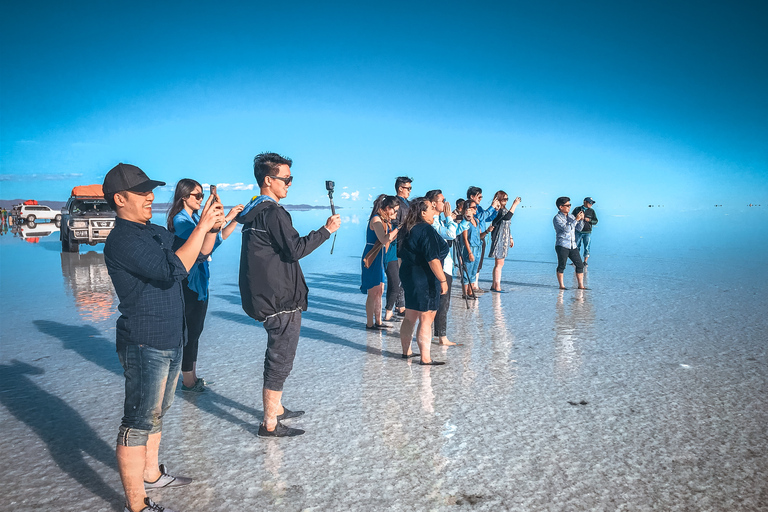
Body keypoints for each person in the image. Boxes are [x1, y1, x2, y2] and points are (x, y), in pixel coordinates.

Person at [103, 163, 225, 512]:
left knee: (156, 414)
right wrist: (201, 225)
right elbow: (172, 269)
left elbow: (199, 252)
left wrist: (212, 226)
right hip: (144, 341)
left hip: (171, 337)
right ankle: (136, 505)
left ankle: (153, 474)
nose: (151, 197)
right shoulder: (122, 240)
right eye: (142, 192)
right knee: (138, 421)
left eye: (150, 190)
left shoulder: (153, 231)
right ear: (120, 198)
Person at [237, 152, 341, 437]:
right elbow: (295, 249)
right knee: (281, 358)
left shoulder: (254, 211)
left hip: (266, 296)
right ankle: (269, 423)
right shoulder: (272, 212)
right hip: (279, 300)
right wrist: (326, 230)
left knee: (278, 354)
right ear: (269, 181)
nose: (290, 184)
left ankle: (277, 408)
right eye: (286, 179)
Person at [167, 179, 244, 391]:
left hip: (198, 281)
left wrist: (233, 220)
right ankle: (187, 381)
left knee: (195, 330)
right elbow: (202, 246)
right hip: (188, 282)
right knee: (190, 332)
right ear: (184, 197)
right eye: (197, 196)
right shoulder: (181, 221)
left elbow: (216, 241)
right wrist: (223, 218)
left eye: (202, 195)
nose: (201, 200)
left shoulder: (191, 219)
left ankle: (190, 377)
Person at [397, 197, 449, 364]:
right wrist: (442, 280)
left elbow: (399, 256)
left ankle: (406, 352)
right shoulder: (425, 229)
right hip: (424, 276)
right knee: (426, 317)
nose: (435, 211)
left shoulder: (406, 228)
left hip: (408, 274)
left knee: (410, 315)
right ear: (423, 212)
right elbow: (433, 259)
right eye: (431, 208)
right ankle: (425, 358)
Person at [425, 189, 458, 346]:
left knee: (440, 302)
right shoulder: (434, 221)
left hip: (445, 265)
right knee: (442, 302)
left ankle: (436, 335)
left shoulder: (436, 220)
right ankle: (440, 337)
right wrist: (449, 217)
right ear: (433, 203)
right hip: (442, 267)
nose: (445, 204)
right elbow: (452, 234)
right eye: (442, 200)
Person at [360, 194, 399, 329]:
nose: (396, 213)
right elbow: (383, 239)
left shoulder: (384, 219)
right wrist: (397, 229)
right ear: (387, 208)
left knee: (380, 291)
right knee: (373, 292)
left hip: (380, 255)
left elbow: (388, 240)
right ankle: (370, 324)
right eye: (395, 210)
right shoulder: (376, 219)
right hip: (372, 256)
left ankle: (379, 322)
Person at [387, 176, 413, 318]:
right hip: (398, 245)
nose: (410, 191)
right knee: (398, 277)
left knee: (405, 275)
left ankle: (402, 304)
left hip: (406, 243)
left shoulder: (407, 203)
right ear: (400, 188)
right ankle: (400, 306)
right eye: (408, 188)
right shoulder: (397, 203)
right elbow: (395, 223)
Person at [466, 186, 500, 293]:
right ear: (472, 196)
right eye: (479, 196)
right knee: (472, 263)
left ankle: (474, 285)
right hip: (474, 238)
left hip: (482, 236)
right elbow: (480, 217)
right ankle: (472, 287)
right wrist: (491, 207)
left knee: (478, 262)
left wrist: (495, 210)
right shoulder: (469, 208)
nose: (481, 199)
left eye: (481, 197)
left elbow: (487, 218)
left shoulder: (478, 208)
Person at [487, 191, 521, 293]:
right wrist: (514, 205)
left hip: (504, 237)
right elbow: (507, 217)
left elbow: (507, 225)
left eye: (507, 199)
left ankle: (495, 285)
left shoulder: (504, 209)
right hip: (499, 237)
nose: (506, 201)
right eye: (504, 199)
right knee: (499, 263)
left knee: (499, 263)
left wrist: (510, 237)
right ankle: (497, 285)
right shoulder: (497, 210)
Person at [553, 196, 586, 290]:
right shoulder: (557, 218)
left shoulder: (571, 216)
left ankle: (581, 285)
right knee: (562, 265)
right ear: (561, 207)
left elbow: (579, 229)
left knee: (580, 265)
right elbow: (567, 229)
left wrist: (581, 220)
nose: (569, 207)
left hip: (573, 245)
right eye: (567, 205)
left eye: (570, 205)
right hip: (562, 245)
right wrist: (576, 220)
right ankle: (562, 286)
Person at [458, 199, 483, 299]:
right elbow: (465, 238)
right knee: (466, 271)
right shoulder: (465, 222)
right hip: (470, 248)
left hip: (478, 247)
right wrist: (469, 252)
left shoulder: (476, 220)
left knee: (474, 270)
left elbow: (479, 234)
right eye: (474, 207)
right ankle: (465, 293)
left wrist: (487, 232)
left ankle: (470, 291)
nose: (476, 209)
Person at [573, 197, 598, 265]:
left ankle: (585, 261)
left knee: (587, 246)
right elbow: (571, 218)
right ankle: (575, 261)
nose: (591, 204)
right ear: (585, 202)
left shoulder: (592, 211)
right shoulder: (577, 209)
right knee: (576, 246)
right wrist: (577, 218)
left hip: (587, 232)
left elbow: (595, 221)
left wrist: (589, 220)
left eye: (592, 203)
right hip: (578, 231)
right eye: (590, 202)